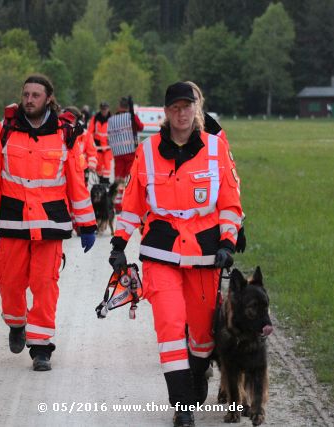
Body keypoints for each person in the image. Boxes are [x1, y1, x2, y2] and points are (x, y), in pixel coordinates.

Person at [108, 82, 243, 426]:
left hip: (204, 256)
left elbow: (230, 204)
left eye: (187, 107)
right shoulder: (148, 150)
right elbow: (133, 204)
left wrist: (227, 242)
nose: (181, 113)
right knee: (169, 327)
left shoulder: (216, 149)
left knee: (201, 336)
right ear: (166, 113)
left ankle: (198, 374)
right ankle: (182, 407)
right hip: (160, 251)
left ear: (197, 110)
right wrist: (119, 243)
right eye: (175, 108)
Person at [0, 74, 97, 371]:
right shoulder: (3, 130)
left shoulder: (66, 133)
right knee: (9, 281)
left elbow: (76, 182)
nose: (29, 99)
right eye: (26, 94)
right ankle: (17, 323)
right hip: (13, 219)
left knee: (45, 284)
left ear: (48, 99)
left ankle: (41, 346)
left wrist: (88, 223)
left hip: (50, 222)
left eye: (36, 95)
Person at [186, 81, 246, 254]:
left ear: (201, 102)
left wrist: (238, 225)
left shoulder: (215, 132)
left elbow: (230, 181)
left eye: (194, 100)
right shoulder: (169, 134)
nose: (191, 105)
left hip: (209, 222)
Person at [107, 96, 144, 181]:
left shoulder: (111, 119)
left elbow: (109, 134)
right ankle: (129, 192)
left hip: (117, 152)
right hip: (130, 150)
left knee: (119, 176)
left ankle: (119, 193)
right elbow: (141, 127)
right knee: (130, 175)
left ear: (119, 107)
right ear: (128, 107)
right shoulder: (131, 116)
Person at [63, 105, 97, 181]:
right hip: (63, 171)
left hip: (80, 170)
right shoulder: (59, 133)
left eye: (71, 118)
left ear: (77, 120)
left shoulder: (85, 134)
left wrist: (91, 167)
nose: (68, 121)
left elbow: (92, 153)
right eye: (65, 119)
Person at [87, 101, 112, 182]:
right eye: (102, 109)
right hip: (97, 146)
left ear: (108, 109)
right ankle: (100, 178)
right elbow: (90, 131)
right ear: (100, 109)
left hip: (108, 146)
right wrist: (90, 143)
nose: (104, 111)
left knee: (107, 164)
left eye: (105, 109)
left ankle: (106, 179)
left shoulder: (112, 118)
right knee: (98, 165)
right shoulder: (95, 118)